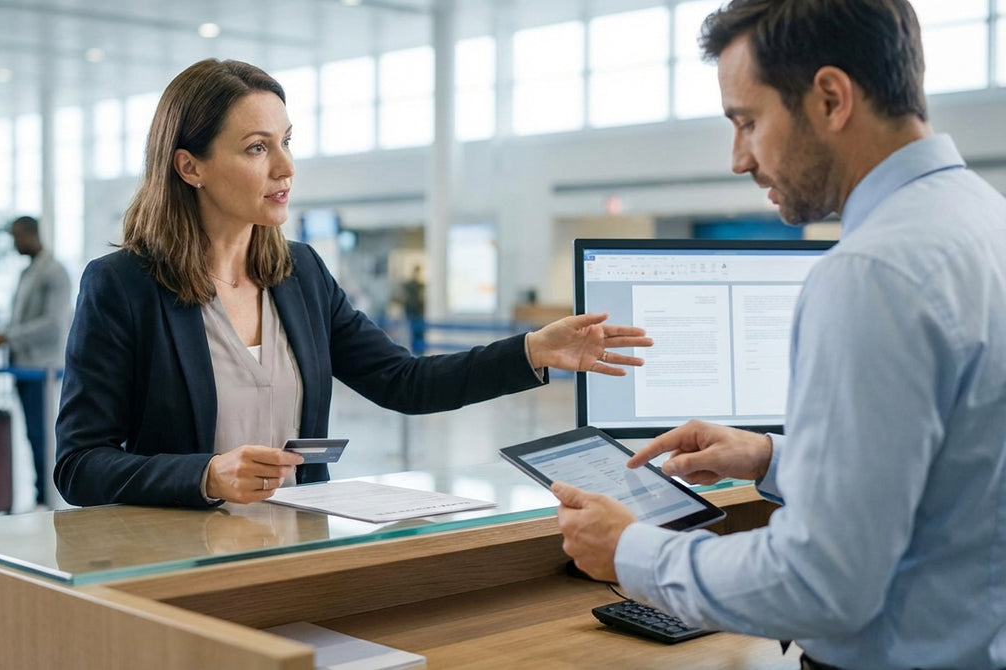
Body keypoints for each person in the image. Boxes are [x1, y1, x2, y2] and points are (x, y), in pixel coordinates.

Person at [553, 1, 1006, 668]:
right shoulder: (984, 220)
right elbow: (954, 477)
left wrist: (629, 550)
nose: (740, 158)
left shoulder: (871, 272)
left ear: (829, 97)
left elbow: (821, 583)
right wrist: (772, 457)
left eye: (748, 122)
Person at [54, 59, 653, 510]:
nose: (286, 168)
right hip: (175, 565)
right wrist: (205, 476)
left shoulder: (301, 274)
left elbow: (404, 381)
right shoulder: (122, 286)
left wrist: (531, 351)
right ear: (190, 166)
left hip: (301, 549)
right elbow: (80, 465)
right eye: (257, 148)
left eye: (286, 142)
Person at [0, 215, 71, 509]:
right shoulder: (28, 272)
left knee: (41, 432)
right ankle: (39, 491)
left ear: (31, 235)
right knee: (32, 432)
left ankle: (47, 493)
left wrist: (8, 336)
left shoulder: (54, 272)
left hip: (41, 369)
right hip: (23, 366)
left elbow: (53, 325)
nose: (14, 243)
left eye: (16, 237)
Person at [399, 264, 426, 354]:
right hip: (413, 312)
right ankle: (415, 352)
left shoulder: (420, 285)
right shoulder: (411, 285)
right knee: (413, 334)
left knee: (418, 334)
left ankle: (418, 352)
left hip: (418, 313)